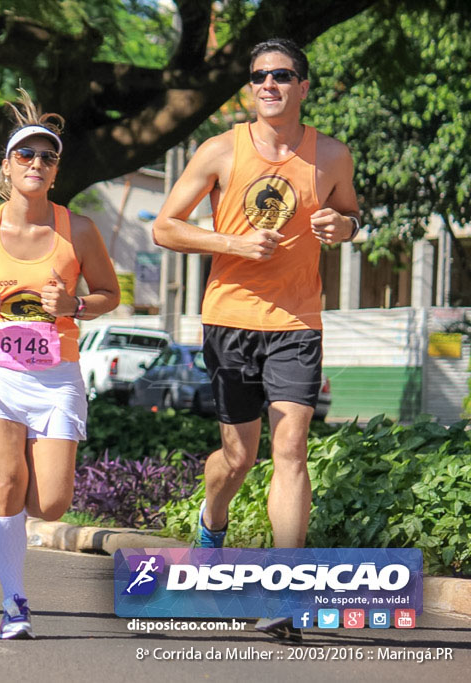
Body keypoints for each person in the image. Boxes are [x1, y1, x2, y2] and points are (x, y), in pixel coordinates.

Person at [151, 38, 360, 639]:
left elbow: (351, 213)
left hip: (297, 322)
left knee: (290, 449)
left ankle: (285, 594)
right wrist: (232, 243)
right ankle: (210, 521)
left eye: (281, 75)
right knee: (239, 457)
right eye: (259, 76)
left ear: (304, 87)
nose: (268, 84)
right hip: (231, 317)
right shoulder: (220, 151)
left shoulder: (331, 157)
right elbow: (165, 227)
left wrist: (341, 225)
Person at [0, 89, 119, 639]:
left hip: (56, 377)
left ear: (56, 172)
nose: (36, 164)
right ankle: (14, 602)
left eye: (47, 158)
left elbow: (108, 293)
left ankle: (11, 529)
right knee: (6, 481)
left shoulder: (77, 230)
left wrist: (76, 305)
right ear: (6, 167)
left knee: (52, 504)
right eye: (26, 156)